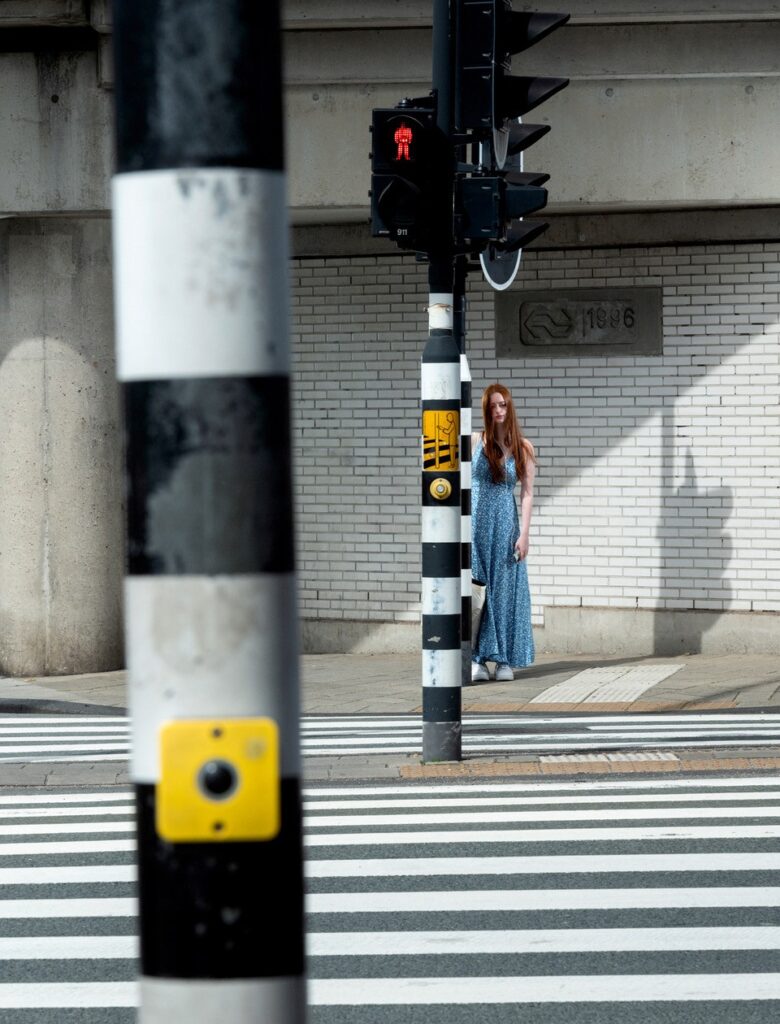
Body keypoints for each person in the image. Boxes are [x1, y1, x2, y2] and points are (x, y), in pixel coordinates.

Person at [471, 383, 536, 682]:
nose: (498, 410)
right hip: (474, 527)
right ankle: (477, 658)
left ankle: (504, 659)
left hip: (505, 525)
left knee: (505, 592)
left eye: (503, 405)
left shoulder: (523, 447)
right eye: (493, 406)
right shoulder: (473, 442)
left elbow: (526, 493)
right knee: (476, 591)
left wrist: (524, 534)